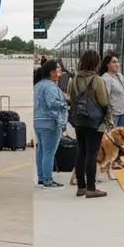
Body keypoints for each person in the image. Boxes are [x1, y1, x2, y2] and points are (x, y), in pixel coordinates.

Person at [68, 49, 112, 198]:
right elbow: (104, 102)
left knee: (81, 152)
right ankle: (91, 189)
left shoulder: (74, 79)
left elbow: (71, 97)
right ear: (96, 63)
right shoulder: (97, 80)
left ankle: (81, 187)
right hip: (94, 122)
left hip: (79, 120)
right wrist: (109, 120)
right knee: (92, 155)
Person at [34, 59, 68, 188]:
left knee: (41, 150)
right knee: (49, 151)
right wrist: (65, 103)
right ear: (52, 72)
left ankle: (41, 177)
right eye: (58, 68)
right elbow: (52, 104)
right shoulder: (50, 87)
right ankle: (48, 179)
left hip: (38, 122)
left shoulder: (38, 85)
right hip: (50, 122)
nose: (60, 70)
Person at [101, 53, 124, 170]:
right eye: (113, 62)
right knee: (113, 140)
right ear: (107, 64)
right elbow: (106, 98)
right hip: (114, 113)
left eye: (117, 62)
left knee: (122, 139)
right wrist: (108, 116)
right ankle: (112, 162)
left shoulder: (120, 76)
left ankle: (118, 159)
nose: (117, 64)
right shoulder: (106, 78)